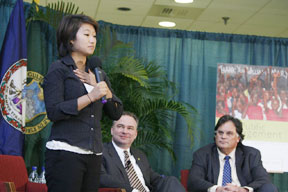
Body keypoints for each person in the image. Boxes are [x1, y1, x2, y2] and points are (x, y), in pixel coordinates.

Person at [43, 14, 123, 192]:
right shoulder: (59, 69)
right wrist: (91, 96)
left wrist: (102, 89)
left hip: (93, 156)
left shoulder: (98, 74)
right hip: (65, 153)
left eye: (94, 36)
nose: (92, 40)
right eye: (86, 35)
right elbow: (54, 112)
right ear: (71, 39)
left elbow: (116, 112)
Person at [187, 115, 277, 192]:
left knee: (269, 188)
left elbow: (263, 179)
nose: (223, 137)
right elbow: (194, 181)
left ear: (238, 138)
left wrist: (243, 190)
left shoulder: (251, 154)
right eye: (220, 133)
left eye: (229, 133)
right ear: (215, 135)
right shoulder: (202, 154)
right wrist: (218, 189)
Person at [100, 111, 186, 192]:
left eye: (130, 128)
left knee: (171, 181)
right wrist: (132, 190)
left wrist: (170, 183)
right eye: (120, 126)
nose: (125, 131)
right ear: (112, 130)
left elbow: (152, 178)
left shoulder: (139, 154)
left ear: (135, 134)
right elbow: (101, 178)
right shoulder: (101, 152)